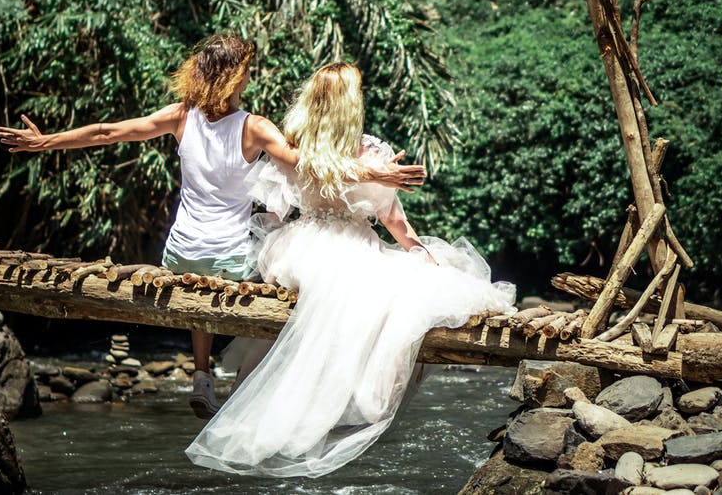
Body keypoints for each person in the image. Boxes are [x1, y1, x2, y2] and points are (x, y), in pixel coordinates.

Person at [0, 36, 427, 419]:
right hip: (234, 257)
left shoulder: (179, 116)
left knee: (196, 281)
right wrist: (377, 174)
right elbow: (306, 166)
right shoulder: (255, 127)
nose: (249, 80)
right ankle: (257, 380)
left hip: (180, 252)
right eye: (246, 72)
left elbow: (109, 132)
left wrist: (45, 141)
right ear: (234, 77)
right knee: (264, 267)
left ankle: (202, 374)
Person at [185, 61, 516, 477]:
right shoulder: (370, 151)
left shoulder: (292, 143)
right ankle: (340, 407)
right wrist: (419, 251)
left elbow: (275, 211)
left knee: (352, 291)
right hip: (349, 242)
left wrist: (267, 250)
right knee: (397, 291)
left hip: (298, 246)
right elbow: (395, 222)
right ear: (350, 103)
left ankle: (283, 404)